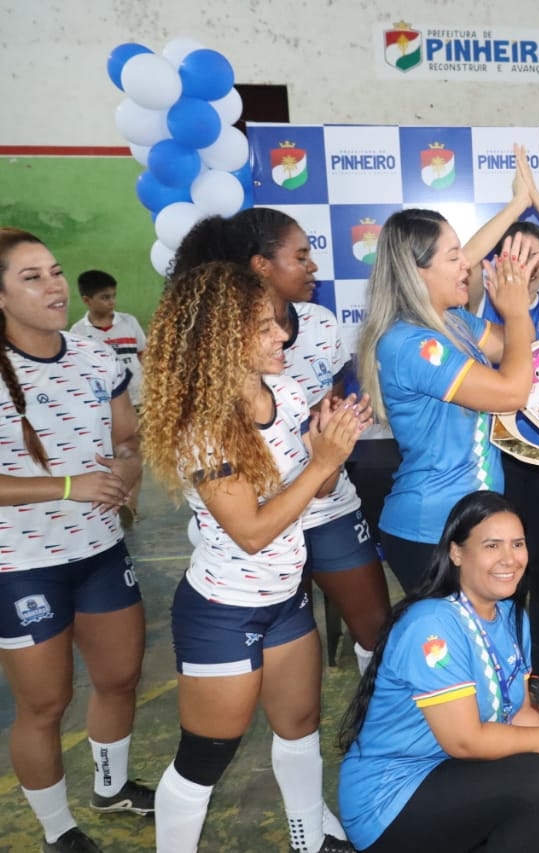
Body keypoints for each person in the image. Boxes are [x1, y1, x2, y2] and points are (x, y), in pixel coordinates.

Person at [143, 260, 369, 853]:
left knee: (300, 728)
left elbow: (317, 491)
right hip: (225, 611)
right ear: (220, 340)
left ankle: (308, 838)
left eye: (278, 323)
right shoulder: (204, 427)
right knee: (205, 758)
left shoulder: (287, 393)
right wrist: (321, 463)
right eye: (265, 327)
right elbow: (251, 533)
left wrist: (331, 447)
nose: (282, 336)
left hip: (286, 599)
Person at [171, 209, 391, 674]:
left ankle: (379, 710)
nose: (313, 266)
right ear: (261, 265)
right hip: (255, 554)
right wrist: (321, 460)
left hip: (325, 509)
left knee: (374, 634)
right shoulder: (207, 416)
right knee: (283, 643)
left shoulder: (313, 337)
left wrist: (331, 433)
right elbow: (250, 529)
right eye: (301, 255)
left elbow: (324, 420)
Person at [337, 491, 539, 852]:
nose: (509, 558)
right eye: (492, 545)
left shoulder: (511, 615)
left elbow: (520, 712)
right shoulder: (432, 625)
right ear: (457, 553)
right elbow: (465, 741)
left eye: (518, 544)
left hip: (448, 772)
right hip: (390, 798)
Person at [0, 228, 151, 853]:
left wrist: (127, 469)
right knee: (45, 704)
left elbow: (128, 438)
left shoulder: (96, 356)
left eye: (56, 271)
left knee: (119, 678)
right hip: (21, 566)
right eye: (32, 277)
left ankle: (110, 789)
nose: (55, 286)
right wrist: (69, 486)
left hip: (101, 552)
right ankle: (57, 829)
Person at [460, 145, 539, 713]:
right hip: (493, 458)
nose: (527, 260)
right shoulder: (474, 305)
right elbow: (466, 259)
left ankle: (536, 668)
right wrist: (515, 209)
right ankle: (499, 665)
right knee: (498, 566)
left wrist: (537, 199)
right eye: (515, 250)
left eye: (537, 253)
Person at [356, 209, 535, 594]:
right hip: (433, 529)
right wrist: (517, 311)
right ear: (417, 271)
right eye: (454, 257)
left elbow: (519, 346)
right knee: (451, 631)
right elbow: (512, 392)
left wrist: (517, 311)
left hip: (473, 519)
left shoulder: (453, 321)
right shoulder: (411, 343)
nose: (466, 264)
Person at [70, 268, 147, 526]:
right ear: (87, 300)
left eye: (113, 296)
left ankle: (130, 507)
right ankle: (115, 501)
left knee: (134, 455)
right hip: (103, 405)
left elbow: (144, 355)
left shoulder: (129, 322)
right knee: (110, 457)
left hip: (136, 400)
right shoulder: (79, 333)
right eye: (104, 297)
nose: (111, 302)